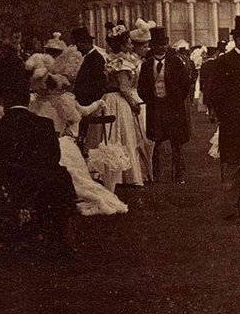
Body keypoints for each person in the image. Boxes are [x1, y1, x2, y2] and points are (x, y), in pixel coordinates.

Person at [0, 62, 78, 257]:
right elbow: (53, 158)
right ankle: (62, 239)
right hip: (38, 186)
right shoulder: (44, 125)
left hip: (4, 186)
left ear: (6, 104)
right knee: (59, 175)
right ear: (27, 101)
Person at [25, 54, 128, 216]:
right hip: (43, 145)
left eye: (42, 84)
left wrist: (97, 104)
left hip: (59, 144)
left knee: (78, 181)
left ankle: (96, 200)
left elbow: (80, 114)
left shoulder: (60, 102)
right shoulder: (35, 103)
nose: (39, 88)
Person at [206, 16, 240, 220]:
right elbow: (215, 94)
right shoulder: (224, 62)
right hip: (233, 123)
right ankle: (231, 207)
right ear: (238, 40)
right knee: (233, 164)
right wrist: (227, 117)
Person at [137, 26, 192, 183]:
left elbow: (186, 83)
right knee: (156, 143)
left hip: (173, 107)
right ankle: (156, 174)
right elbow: (141, 87)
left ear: (167, 44)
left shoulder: (175, 62)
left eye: (163, 44)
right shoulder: (147, 65)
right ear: (152, 46)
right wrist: (150, 99)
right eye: (157, 44)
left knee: (176, 143)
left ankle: (178, 174)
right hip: (156, 107)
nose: (161, 47)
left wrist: (177, 99)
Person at [101, 21, 150, 189]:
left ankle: (122, 173)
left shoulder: (119, 60)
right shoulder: (120, 62)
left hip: (114, 99)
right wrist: (133, 103)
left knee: (120, 135)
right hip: (117, 100)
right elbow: (124, 87)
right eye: (129, 42)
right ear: (122, 45)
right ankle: (121, 174)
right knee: (121, 135)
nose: (131, 44)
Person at [70, 25, 107, 107]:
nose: (77, 49)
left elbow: (97, 84)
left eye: (78, 45)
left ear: (85, 43)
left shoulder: (96, 58)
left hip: (89, 103)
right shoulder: (90, 57)